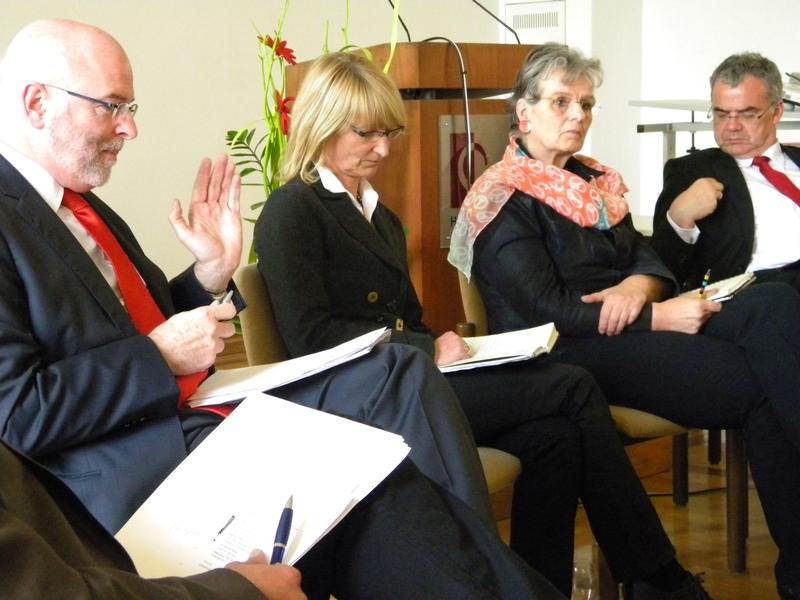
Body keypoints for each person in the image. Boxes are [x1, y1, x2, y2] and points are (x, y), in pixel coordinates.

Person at [0, 17, 497, 536]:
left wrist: (208, 277)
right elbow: (17, 416)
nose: (130, 127)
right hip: (132, 461)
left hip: (193, 410)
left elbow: (137, 327)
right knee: (393, 443)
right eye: (112, 106)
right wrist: (161, 356)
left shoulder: (83, 208)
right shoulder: (23, 213)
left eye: (130, 108)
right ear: (37, 103)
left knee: (402, 454)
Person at [254, 50, 710, 600]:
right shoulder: (291, 210)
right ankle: (655, 575)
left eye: (388, 134)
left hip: (406, 381)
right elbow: (312, 339)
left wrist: (439, 343)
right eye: (366, 134)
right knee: (570, 385)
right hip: (360, 400)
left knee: (557, 437)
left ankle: (544, 588)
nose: (381, 149)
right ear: (323, 123)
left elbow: (409, 318)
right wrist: (423, 347)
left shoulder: (381, 215)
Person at [449, 43, 800, 600]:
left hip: (627, 327)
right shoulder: (500, 197)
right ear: (524, 114)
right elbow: (550, 311)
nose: (577, 116)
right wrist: (657, 315)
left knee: (776, 307)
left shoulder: (596, 183)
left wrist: (638, 289)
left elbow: (649, 258)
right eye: (561, 102)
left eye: (586, 104)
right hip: (564, 353)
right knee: (757, 383)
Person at [0, 438, 564, 600]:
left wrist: (203, 278)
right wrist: (236, 591)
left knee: (379, 478)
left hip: (190, 436)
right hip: (111, 491)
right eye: (366, 137)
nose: (130, 139)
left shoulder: (92, 212)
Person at [652, 52, 800, 291]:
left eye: (747, 114)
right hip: (759, 292)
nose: (731, 126)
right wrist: (679, 218)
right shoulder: (691, 171)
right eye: (721, 114)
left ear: (777, 111)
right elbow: (661, 269)